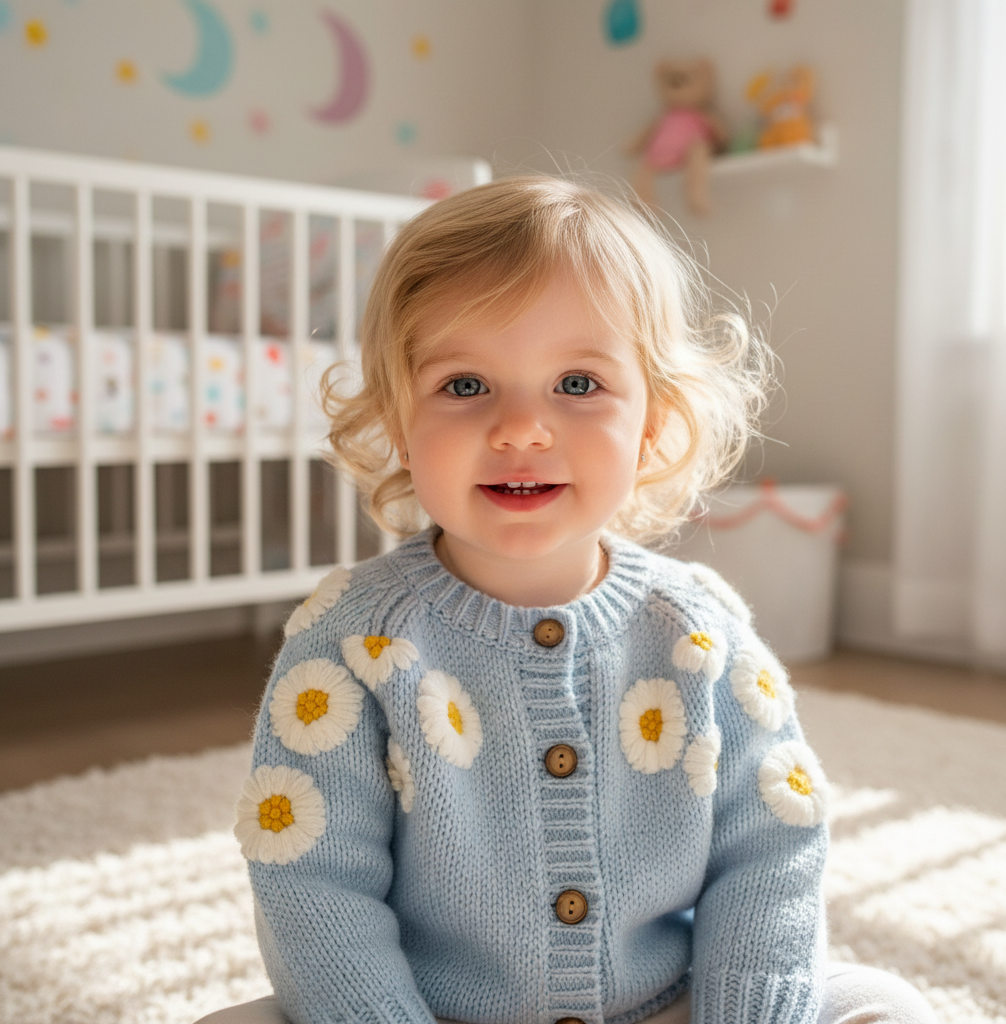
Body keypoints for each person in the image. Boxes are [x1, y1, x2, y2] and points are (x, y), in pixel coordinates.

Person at [198, 176, 937, 1024]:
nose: (521, 429)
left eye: (577, 385)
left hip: (668, 1006)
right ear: (400, 421)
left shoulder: (698, 629)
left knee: (887, 1004)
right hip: (431, 1013)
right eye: (466, 385)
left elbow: (772, 850)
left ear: (654, 421)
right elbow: (310, 882)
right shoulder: (350, 639)